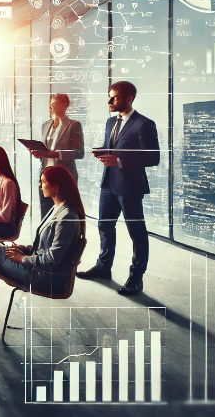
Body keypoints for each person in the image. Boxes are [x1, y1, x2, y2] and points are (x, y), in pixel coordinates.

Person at [0, 165, 86, 329]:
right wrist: (26, 249)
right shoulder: (58, 208)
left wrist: (22, 258)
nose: (40, 185)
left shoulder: (66, 217)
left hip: (43, 276)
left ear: (56, 187)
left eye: (43, 182)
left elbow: (52, 259)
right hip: (39, 269)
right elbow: (46, 246)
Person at [78, 81, 160, 296]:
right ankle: (104, 268)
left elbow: (153, 157)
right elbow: (114, 149)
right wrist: (104, 153)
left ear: (129, 99)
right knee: (104, 226)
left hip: (130, 187)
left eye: (113, 97)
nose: (109, 101)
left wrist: (120, 160)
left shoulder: (144, 124)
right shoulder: (109, 122)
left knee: (137, 233)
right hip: (109, 183)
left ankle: (136, 279)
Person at [31, 93, 84, 218]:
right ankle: (46, 238)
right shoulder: (45, 125)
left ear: (66, 105)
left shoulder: (74, 125)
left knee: (65, 213)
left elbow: (79, 153)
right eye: (51, 104)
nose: (52, 107)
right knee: (45, 213)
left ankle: (62, 237)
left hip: (63, 176)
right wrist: (39, 153)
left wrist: (55, 154)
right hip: (45, 174)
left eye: (55, 104)